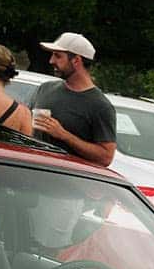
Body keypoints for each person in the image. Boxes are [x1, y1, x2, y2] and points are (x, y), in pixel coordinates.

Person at [30, 32, 116, 167]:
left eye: (58, 56)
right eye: (52, 55)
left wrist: (64, 135)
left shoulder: (100, 106)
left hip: (66, 182)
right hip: (31, 173)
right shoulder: (45, 88)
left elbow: (106, 157)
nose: (51, 61)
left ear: (76, 60)